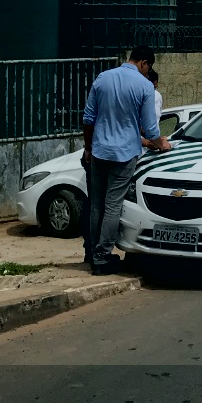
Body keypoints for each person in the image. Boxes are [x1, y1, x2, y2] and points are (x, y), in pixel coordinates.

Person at [82, 46, 171, 275]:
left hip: (100, 151)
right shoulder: (144, 86)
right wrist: (162, 144)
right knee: (113, 206)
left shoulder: (103, 78)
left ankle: (93, 254)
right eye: (148, 67)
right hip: (125, 153)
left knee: (96, 205)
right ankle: (102, 258)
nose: (147, 71)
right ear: (144, 63)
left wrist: (88, 148)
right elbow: (151, 129)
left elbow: (88, 118)